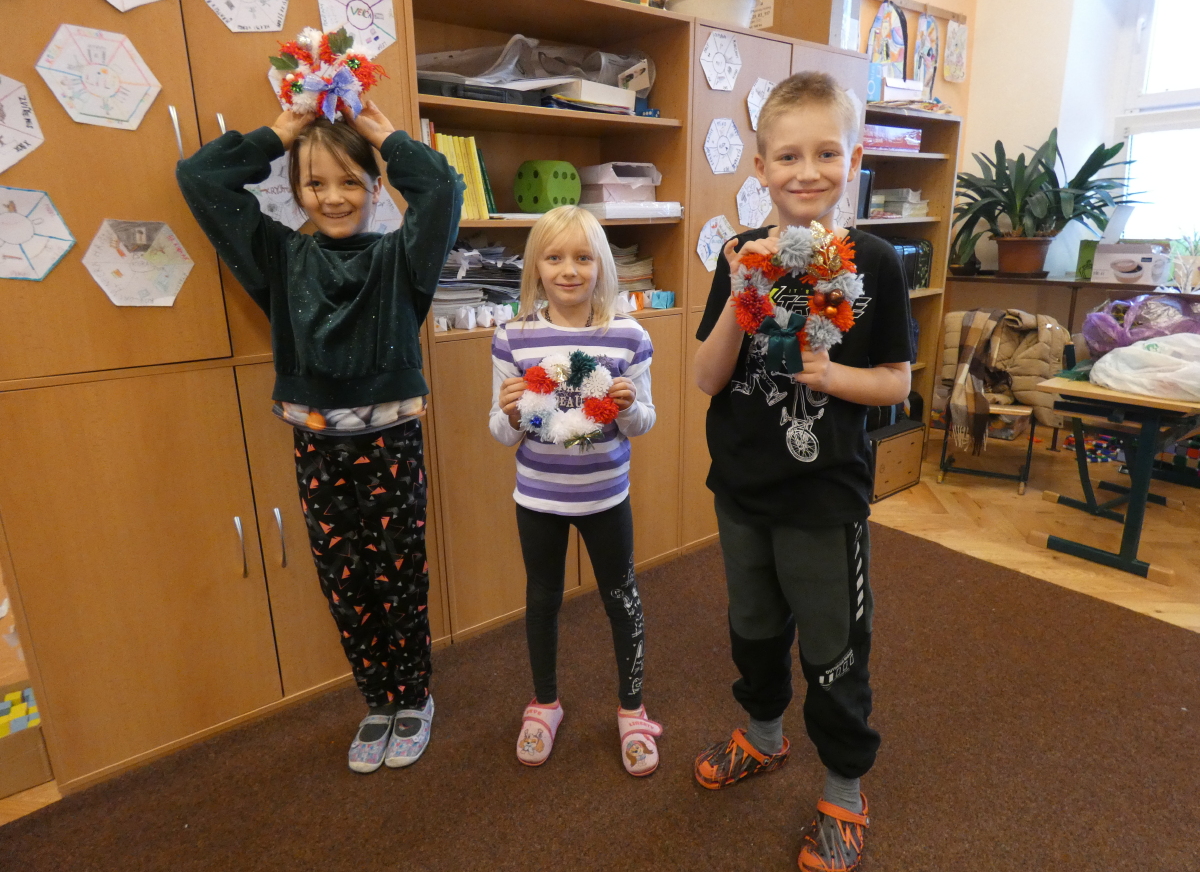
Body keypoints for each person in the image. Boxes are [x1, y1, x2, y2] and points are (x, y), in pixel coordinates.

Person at [176, 100, 463, 774]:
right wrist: (283, 129)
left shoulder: (402, 258)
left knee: (399, 574)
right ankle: (378, 700)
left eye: (349, 182)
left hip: (390, 445)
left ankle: (414, 697)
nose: (332, 197)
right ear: (296, 191)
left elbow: (443, 189)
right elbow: (200, 179)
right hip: (316, 446)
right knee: (345, 581)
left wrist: (376, 130)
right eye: (314, 183)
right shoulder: (280, 257)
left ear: (375, 188)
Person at [692, 72, 913, 870]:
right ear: (760, 167)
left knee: (833, 645)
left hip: (825, 497)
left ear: (852, 160)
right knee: (752, 626)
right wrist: (738, 287)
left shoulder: (877, 262)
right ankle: (763, 735)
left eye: (826, 153)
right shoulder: (740, 252)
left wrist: (833, 376)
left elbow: (896, 382)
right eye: (788, 156)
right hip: (742, 487)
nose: (807, 171)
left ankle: (845, 790)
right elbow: (706, 377)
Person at [489, 205, 662, 776]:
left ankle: (632, 710)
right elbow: (500, 433)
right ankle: (544, 704)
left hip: (606, 495)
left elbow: (644, 422)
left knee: (621, 597)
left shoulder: (628, 335)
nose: (569, 270)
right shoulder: (514, 337)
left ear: (601, 265)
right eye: (554, 257)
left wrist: (629, 407)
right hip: (538, 497)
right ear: (536, 267)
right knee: (542, 600)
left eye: (583, 257)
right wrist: (511, 412)